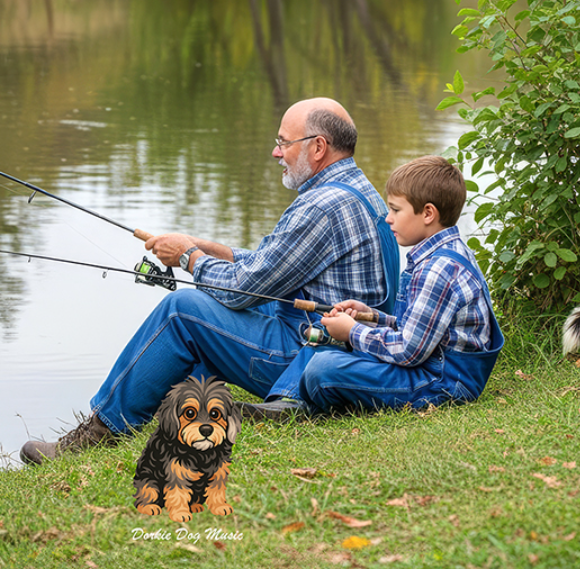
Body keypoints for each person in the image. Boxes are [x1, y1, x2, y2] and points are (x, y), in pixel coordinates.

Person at [19, 97, 397, 464]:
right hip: (341, 339)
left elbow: (241, 290)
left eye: (283, 142)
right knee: (207, 300)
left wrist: (188, 257)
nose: (276, 152)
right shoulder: (358, 190)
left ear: (318, 147)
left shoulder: (320, 206)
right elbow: (276, 266)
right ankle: (181, 407)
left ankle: (101, 430)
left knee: (182, 311)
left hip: (308, 349)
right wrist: (205, 248)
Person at [239, 156, 504, 421]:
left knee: (325, 367)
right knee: (325, 339)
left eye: (396, 210)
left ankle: (300, 406)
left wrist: (353, 332)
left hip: (442, 382)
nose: (388, 219)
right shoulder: (444, 253)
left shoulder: (438, 269)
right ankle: (286, 404)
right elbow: (419, 328)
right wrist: (373, 317)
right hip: (430, 365)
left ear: (427, 213)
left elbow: (409, 350)